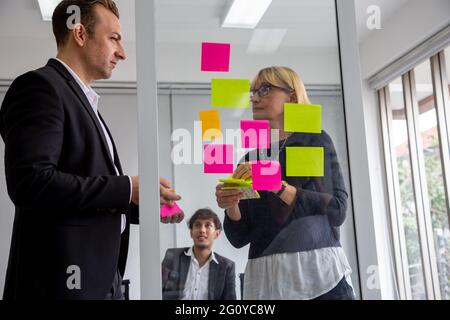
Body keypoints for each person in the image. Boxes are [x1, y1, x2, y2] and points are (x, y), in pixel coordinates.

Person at [0, 0, 181, 300]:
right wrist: (126, 188)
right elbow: (31, 183)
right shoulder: (39, 88)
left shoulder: (82, 101)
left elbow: (84, 194)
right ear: (80, 34)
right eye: (114, 39)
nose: (122, 53)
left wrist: (143, 205)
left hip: (98, 281)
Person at [215, 66, 355, 300]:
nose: (254, 97)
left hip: (319, 279)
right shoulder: (251, 158)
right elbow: (239, 238)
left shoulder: (314, 140)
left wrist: (277, 186)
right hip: (268, 282)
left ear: (291, 96)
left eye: (265, 89)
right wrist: (231, 204)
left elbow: (336, 210)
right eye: (253, 92)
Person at [161, 208, 236, 300]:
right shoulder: (173, 256)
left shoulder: (226, 266)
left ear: (217, 233)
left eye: (208, 225)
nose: (202, 230)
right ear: (191, 232)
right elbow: (157, 290)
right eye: (197, 225)